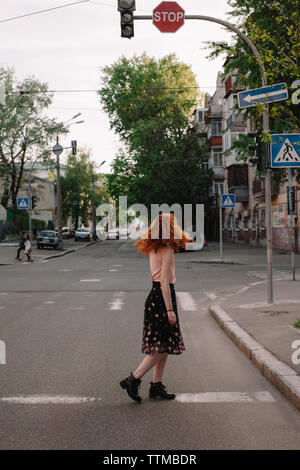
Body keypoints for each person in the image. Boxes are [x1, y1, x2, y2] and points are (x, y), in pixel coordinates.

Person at [120, 212, 193, 403]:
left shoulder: (154, 248)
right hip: (162, 297)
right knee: (160, 348)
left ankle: (156, 385)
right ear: (170, 229)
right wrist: (169, 309)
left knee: (164, 345)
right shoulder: (166, 249)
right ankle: (133, 379)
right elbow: (164, 281)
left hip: (154, 297)